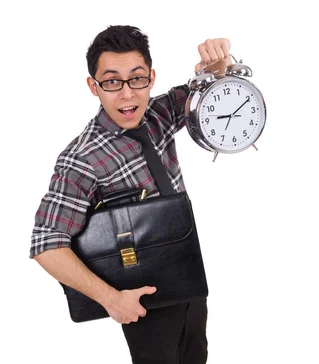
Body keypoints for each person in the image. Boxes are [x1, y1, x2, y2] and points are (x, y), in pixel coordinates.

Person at [29, 25, 232, 364]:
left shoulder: (160, 114)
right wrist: (111, 300)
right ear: (93, 86)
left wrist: (219, 59)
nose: (126, 94)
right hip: (142, 300)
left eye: (136, 78)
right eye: (111, 82)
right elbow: (46, 245)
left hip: (190, 280)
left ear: (151, 78)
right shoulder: (81, 158)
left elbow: (209, 89)